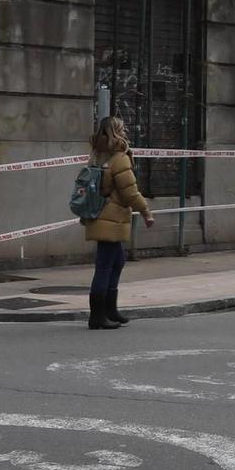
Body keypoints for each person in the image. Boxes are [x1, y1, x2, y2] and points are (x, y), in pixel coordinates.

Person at [84, 116, 155, 331]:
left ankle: (109, 310)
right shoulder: (119, 158)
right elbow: (130, 192)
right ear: (115, 132)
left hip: (100, 215)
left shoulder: (97, 154)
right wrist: (146, 211)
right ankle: (98, 316)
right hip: (111, 218)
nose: (125, 132)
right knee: (105, 266)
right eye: (121, 129)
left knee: (116, 262)